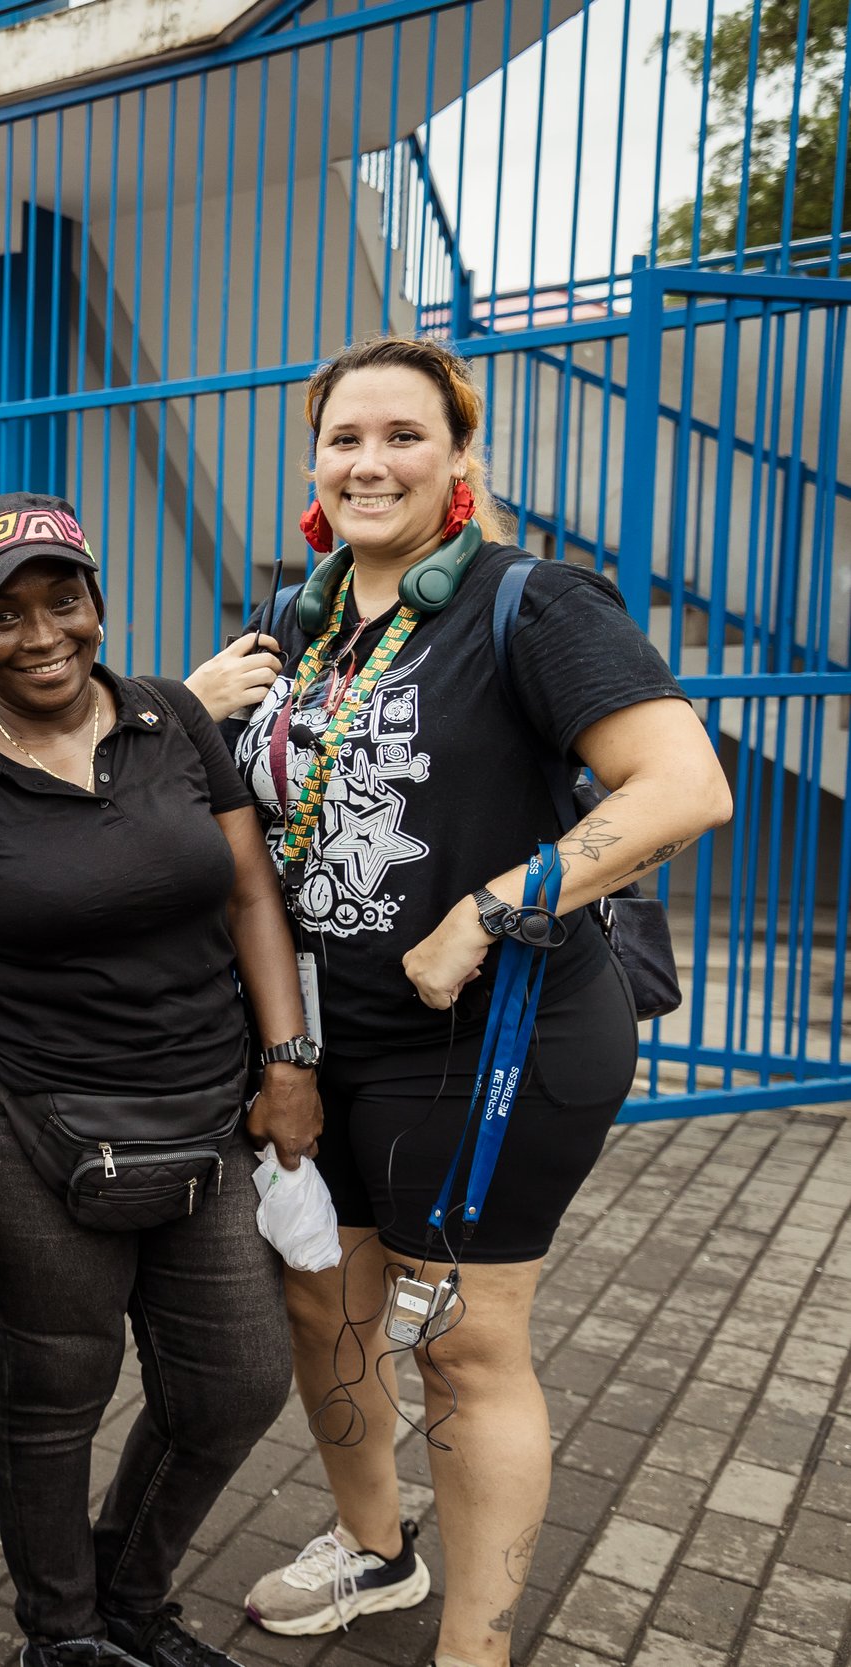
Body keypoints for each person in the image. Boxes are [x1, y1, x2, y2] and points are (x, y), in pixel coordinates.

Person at [222, 337, 730, 1667]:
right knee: (324, 1307)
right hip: (330, 1051)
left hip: (493, 1037)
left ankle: (476, 1644)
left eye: (402, 435)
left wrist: (491, 906)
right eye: (344, 438)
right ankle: (376, 1547)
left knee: (460, 1344)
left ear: (458, 456)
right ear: (314, 462)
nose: (369, 461)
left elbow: (682, 785)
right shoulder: (304, 619)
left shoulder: (533, 601)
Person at [0, 492, 321, 1667]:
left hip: (204, 1112)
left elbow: (249, 893)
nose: (41, 633)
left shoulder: (173, 719)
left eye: (60, 599)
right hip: (24, 1124)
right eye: (1, 615)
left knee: (235, 1383)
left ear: (97, 601)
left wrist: (286, 1061)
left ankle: (130, 1589)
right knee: (50, 1399)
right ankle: (61, 1630)